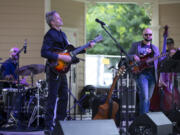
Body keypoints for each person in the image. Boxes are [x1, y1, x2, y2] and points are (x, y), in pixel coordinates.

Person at [41, 10, 95, 135]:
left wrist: (86, 47)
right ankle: (48, 127)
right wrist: (60, 57)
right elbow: (44, 52)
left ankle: (59, 124)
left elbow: (71, 51)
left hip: (62, 71)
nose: (61, 19)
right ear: (53, 22)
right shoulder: (50, 35)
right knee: (52, 98)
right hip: (54, 70)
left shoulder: (63, 34)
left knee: (64, 97)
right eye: (58, 18)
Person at [128, 28, 160, 115]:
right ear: (143, 35)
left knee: (147, 98)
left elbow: (159, 61)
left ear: (152, 36)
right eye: (146, 34)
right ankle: (144, 118)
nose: (148, 36)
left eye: (150, 34)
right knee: (145, 97)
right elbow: (128, 55)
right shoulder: (136, 45)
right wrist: (133, 56)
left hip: (152, 75)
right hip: (141, 74)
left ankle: (142, 117)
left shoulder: (155, 48)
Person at [1, 47, 28, 128]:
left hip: (13, 87)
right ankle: (12, 118)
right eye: (15, 52)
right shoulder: (6, 64)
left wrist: (22, 82)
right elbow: (6, 77)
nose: (17, 53)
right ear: (10, 53)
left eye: (17, 52)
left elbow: (15, 80)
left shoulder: (16, 65)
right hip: (6, 89)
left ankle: (19, 118)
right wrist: (18, 82)